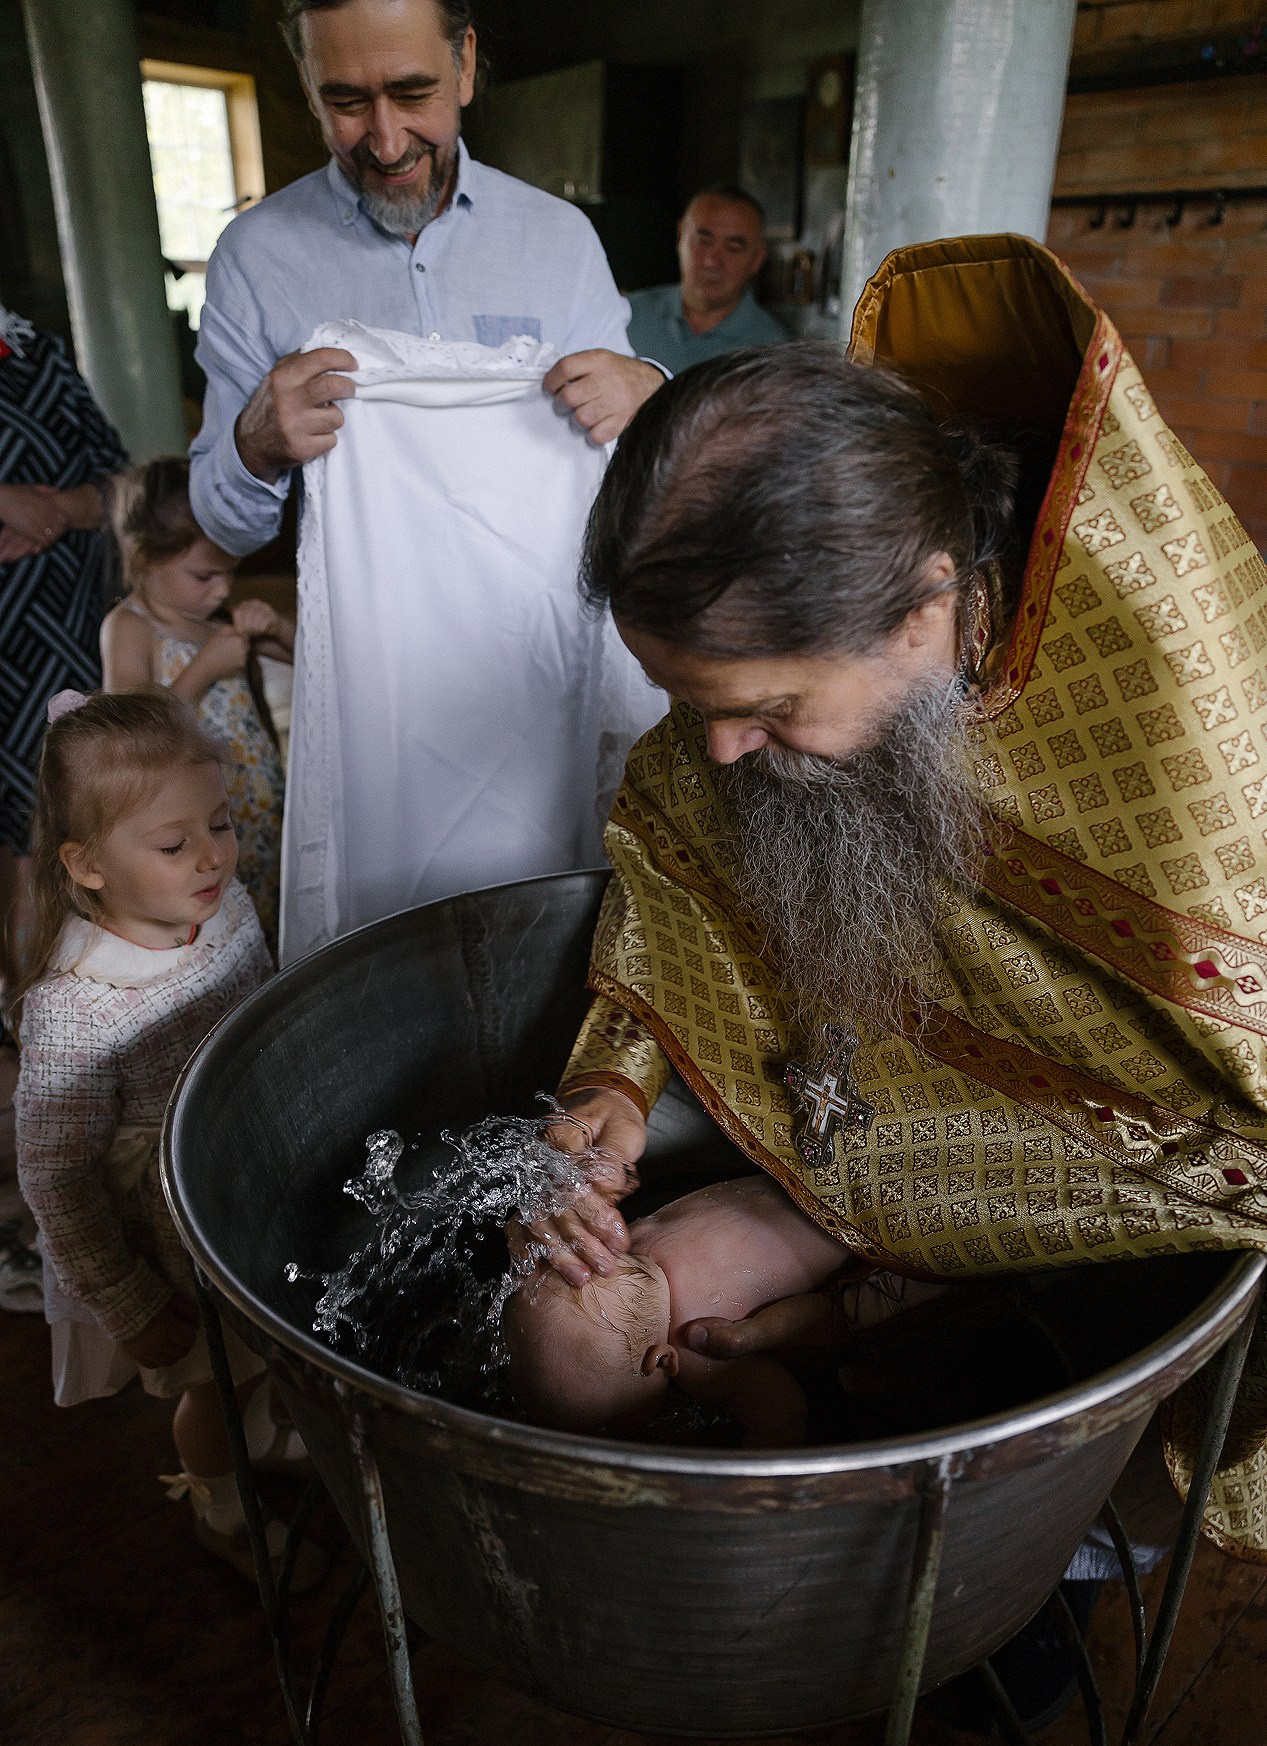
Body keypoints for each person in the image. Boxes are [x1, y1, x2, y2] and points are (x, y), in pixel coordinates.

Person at [520, 233, 1267, 1565]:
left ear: (924, 607)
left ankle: (1069, 1537)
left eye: (759, 710)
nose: (719, 752)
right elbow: (668, 843)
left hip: (1150, 1178)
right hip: (872, 1130)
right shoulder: (787, 690)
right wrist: (618, 1080)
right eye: (694, 706)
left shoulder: (1185, 746)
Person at [10, 689, 317, 1583]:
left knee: (272, 1340)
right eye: (175, 845)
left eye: (219, 825)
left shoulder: (221, 909)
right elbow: (55, 1176)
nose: (215, 857)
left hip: (251, 1165)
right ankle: (220, 1501)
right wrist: (126, 1298)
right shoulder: (75, 1005)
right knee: (216, 1375)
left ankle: (258, 1437)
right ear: (88, 864)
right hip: (172, 1225)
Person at [190, 0, 666, 559]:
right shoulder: (253, 257)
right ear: (306, 81)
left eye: (414, 94)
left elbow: (638, 470)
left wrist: (651, 393)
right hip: (371, 637)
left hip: (546, 633)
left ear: (463, 65)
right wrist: (254, 447)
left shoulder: (562, 239)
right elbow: (225, 528)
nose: (388, 144)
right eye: (346, 102)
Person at [505, 1173, 939, 1445]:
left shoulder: (695, 1352)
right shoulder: (624, 1241)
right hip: (846, 1174)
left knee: (876, 1345)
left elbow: (784, 1417)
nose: (619, 1434)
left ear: (661, 1362)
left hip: (896, 1241)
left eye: (617, 1422)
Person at [101, 459, 290, 952]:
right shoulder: (132, 626)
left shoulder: (218, 619)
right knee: (215, 932)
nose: (224, 590)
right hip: (193, 827)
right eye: (205, 575)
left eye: (231, 574)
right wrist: (203, 668)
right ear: (144, 558)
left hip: (256, 813)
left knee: (265, 920)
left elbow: (319, 658)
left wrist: (276, 627)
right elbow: (130, 731)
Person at [0, 304, 125, 988]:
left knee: (45, 827)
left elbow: (119, 482)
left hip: (57, 634)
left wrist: (54, 512)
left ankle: (39, 1018)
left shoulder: (37, 354)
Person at [625, 188, 789, 377]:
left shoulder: (774, 354)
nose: (712, 261)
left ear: (757, 259)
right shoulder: (628, 316)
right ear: (680, 238)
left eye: (733, 248)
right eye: (703, 241)